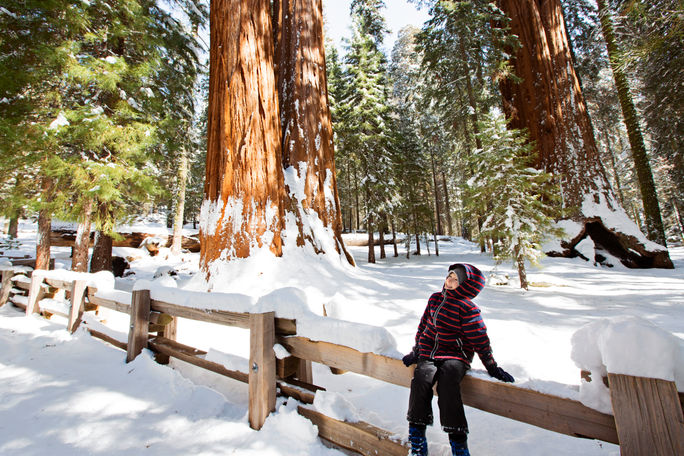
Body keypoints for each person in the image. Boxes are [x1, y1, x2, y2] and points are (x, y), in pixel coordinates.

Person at [402, 263, 514, 456]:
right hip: (429, 352)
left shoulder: (468, 308)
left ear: (465, 285)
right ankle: (417, 440)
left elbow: (480, 339)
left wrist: (492, 366)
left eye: (456, 280)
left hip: (455, 356)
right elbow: (423, 327)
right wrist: (417, 350)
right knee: (420, 380)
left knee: (448, 386)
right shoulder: (435, 299)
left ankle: (459, 446)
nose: (450, 282)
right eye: (449, 277)